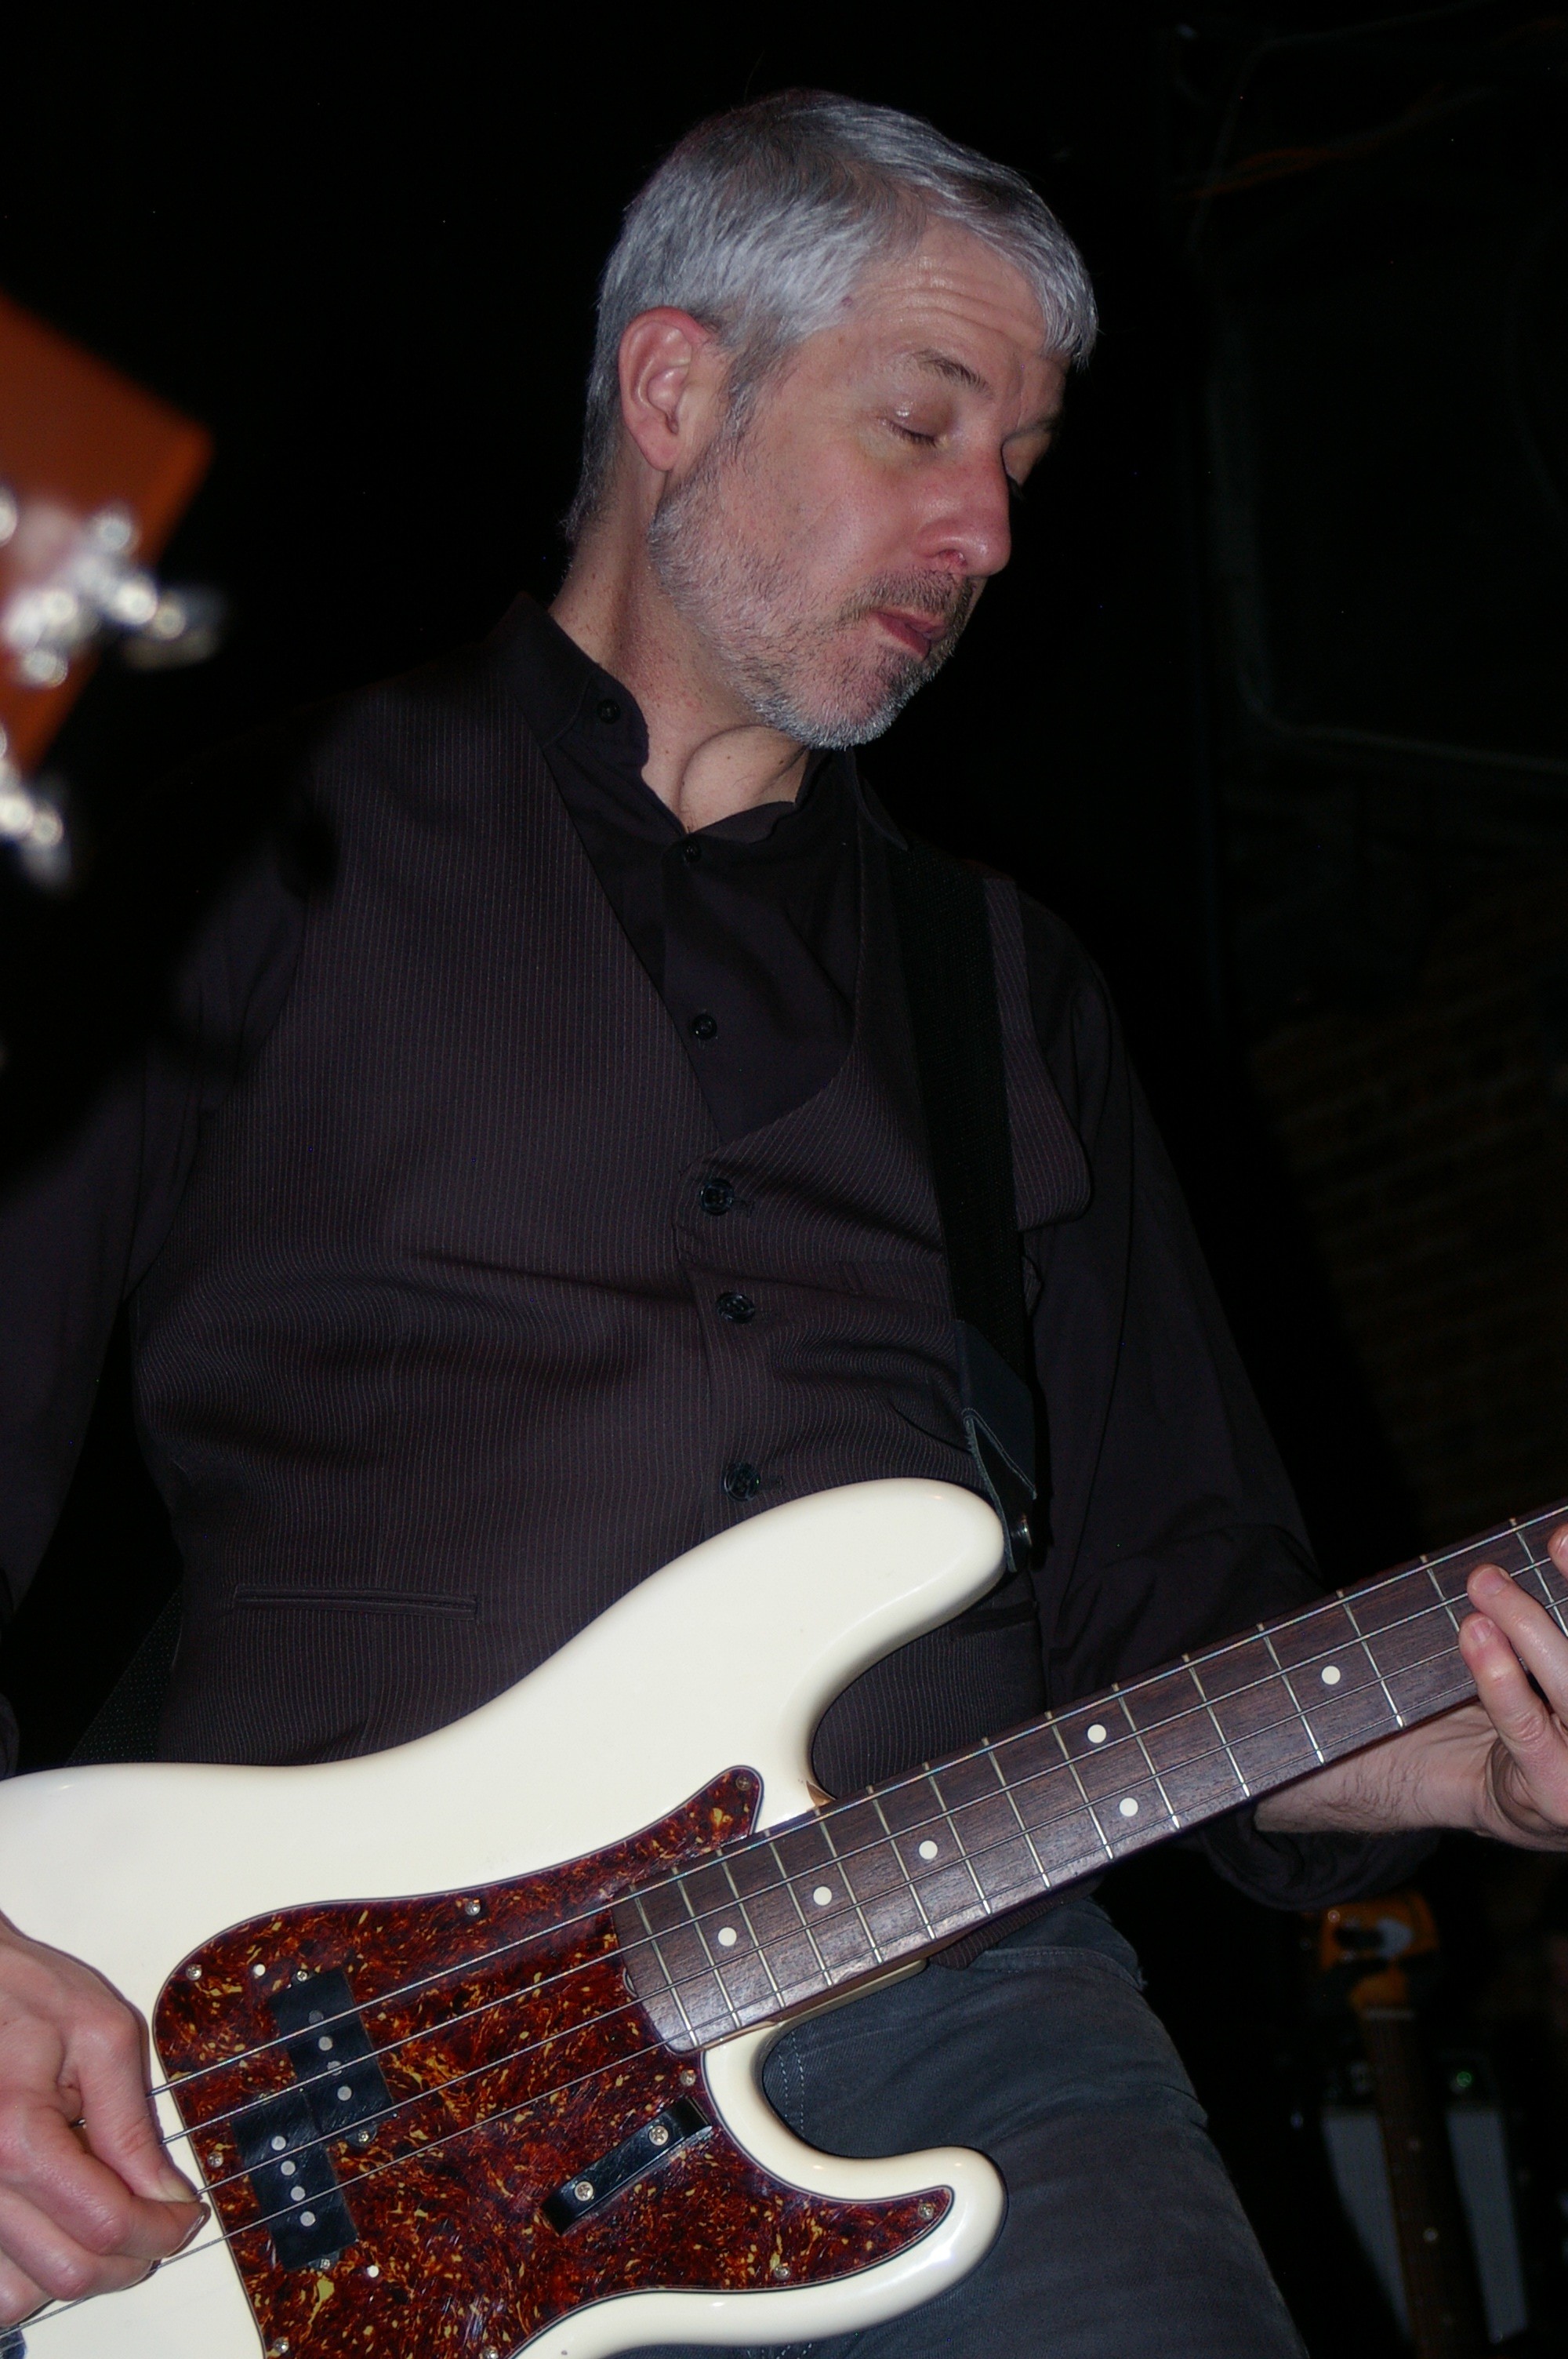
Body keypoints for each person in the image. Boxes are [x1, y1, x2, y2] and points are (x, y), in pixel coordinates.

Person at [0, 89, 1566, 2358]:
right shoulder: (236, 864)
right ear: (675, 389)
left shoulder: (1007, 985)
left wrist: (1479, 1748)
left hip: (958, 2001)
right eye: (921, 424)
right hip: (316, 2073)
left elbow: (1176, 1610)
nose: (988, 527)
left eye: (1020, 459)